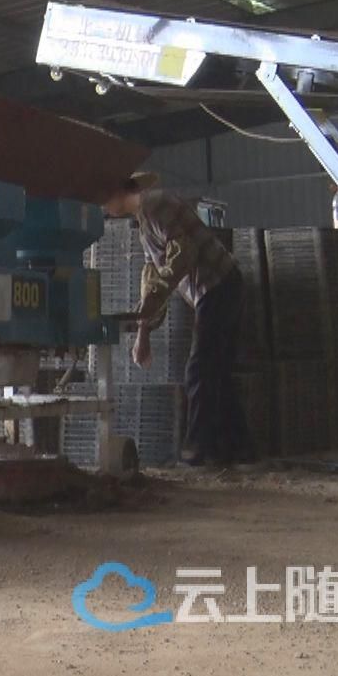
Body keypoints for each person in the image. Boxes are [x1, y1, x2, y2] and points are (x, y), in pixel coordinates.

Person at [104, 171, 254, 466]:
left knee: (200, 370)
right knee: (217, 373)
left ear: (117, 192)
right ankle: (241, 449)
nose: (103, 206)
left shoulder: (155, 204)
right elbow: (152, 280)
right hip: (218, 288)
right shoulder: (144, 223)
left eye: (103, 198)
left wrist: (154, 301)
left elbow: (183, 255)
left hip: (218, 286)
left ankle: (197, 449)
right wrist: (143, 333)